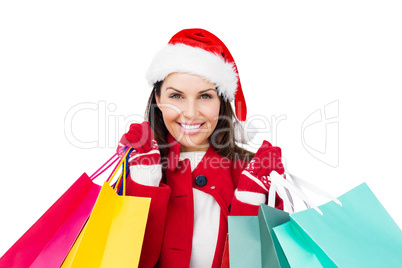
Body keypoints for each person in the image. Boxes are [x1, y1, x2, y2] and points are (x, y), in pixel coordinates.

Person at [117, 28, 285, 268]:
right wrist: (144, 184)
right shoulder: (136, 166)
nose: (191, 112)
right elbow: (123, 260)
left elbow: (273, 261)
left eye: (205, 97)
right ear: (157, 97)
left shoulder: (256, 175)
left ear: (221, 101)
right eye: (176, 96)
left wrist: (249, 201)